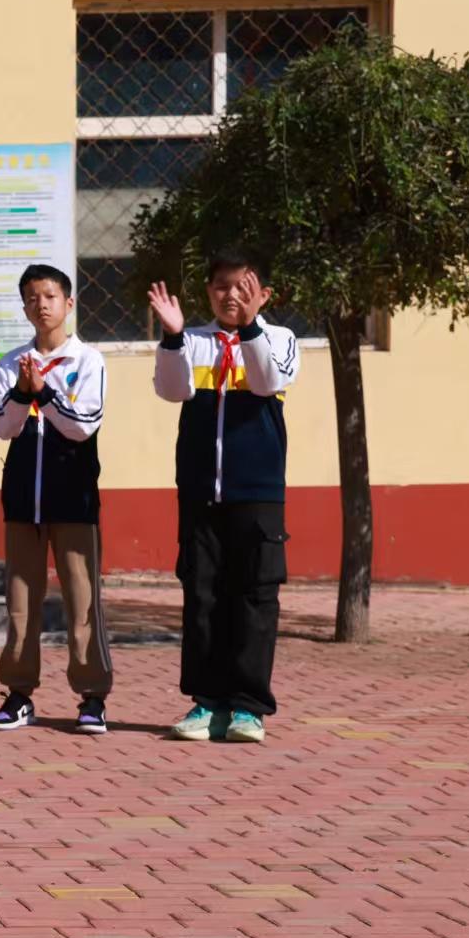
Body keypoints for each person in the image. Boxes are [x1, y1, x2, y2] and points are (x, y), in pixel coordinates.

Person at [150, 249, 300, 745]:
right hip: (200, 493)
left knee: (255, 598)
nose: (230, 295)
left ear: (263, 293)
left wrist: (252, 328)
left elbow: (267, 381)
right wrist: (173, 337)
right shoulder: (191, 341)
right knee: (202, 596)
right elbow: (171, 392)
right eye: (220, 286)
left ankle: (248, 708)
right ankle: (206, 703)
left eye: (242, 286)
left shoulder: (280, 339)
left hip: (257, 494)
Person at [0, 265, 112, 733]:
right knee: (20, 603)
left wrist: (47, 394)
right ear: (24, 308)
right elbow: (2, 426)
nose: (42, 305)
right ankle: (18, 693)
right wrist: (23, 391)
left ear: (69, 304)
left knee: (82, 602)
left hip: (74, 499)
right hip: (22, 501)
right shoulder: (12, 362)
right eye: (33, 298)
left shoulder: (88, 361)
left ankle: (92, 696)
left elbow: (83, 425)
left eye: (51, 296)